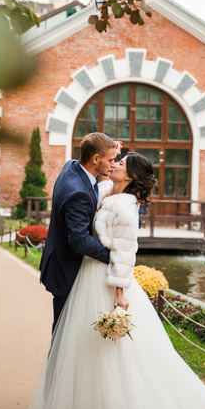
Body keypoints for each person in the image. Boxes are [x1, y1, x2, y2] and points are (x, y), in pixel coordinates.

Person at [25, 152, 205, 409]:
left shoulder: (127, 209)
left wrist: (120, 292)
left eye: (121, 163)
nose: (115, 164)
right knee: (82, 349)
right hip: (87, 276)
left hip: (107, 279)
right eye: (115, 160)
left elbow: (126, 253)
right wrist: (106, 154)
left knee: (110, 355)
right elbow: (92, 178)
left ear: (129, 177)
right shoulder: (106, 191)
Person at [39, 132, 119, 333]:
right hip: (66, 271)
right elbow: (79, 240)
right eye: (110, 160)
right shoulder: (78, 193)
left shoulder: (71, 166)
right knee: (63, 335)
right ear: (95, 159)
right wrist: (113, 256)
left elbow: (93, 149)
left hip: (59, 261)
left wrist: (110, 148)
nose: (113, 164)